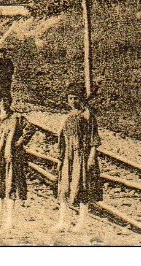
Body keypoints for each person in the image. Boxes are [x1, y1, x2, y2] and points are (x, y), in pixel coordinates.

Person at [0, 90, 37, 232]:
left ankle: (9, 220)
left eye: (6, 100)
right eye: (0, 100)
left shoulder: (17, 118)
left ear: (10, 101)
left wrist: (19, 142)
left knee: (10, 188)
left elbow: (31, 129)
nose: (3, 103)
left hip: (11, 158)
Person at [55, 82, 102, 232]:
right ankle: (63, 221)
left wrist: (91, 158)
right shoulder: (67, 117)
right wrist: (59, 158)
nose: (73, 101)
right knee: (64, 188)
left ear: (81, 98)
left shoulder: (88, 116)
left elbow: (94, 139)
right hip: (67, 156)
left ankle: (82, 222)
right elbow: (61, 140)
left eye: (75, 98)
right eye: (70, 98)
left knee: (82, 187)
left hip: (81, 155)